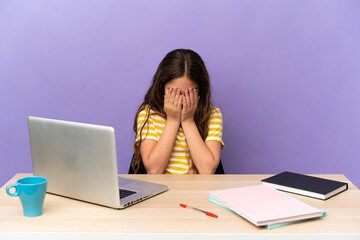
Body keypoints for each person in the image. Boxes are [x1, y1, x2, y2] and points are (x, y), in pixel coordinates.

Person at [131, 49, 224, 174]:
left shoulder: (213, 115)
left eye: (188, 93)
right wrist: (173, 120)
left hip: (197, 192)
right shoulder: (148, 114)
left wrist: (188, 120)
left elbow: (207, 170)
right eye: (174, 92)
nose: (180, 100)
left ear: (200, 90)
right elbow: (154, 170)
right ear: (162, 87)